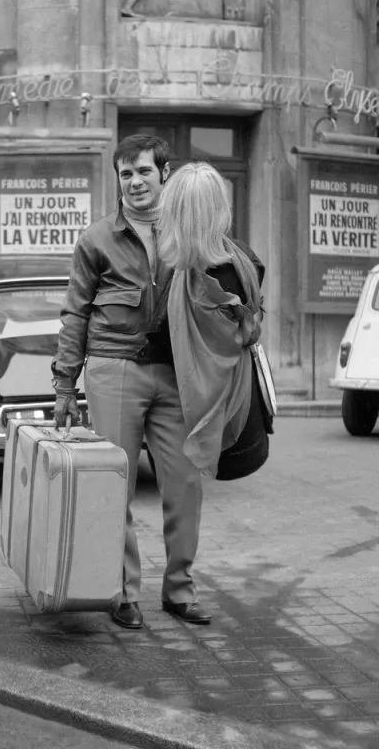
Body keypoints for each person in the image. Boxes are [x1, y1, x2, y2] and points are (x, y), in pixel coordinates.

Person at [52, 134, 212, 630]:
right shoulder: (97, 238)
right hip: (112, 368)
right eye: (126, 174)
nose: (135, 181)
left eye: (144, 171)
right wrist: (64, 384)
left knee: (185, 484)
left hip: (176, 373)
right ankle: (121, 592)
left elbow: (220, 295)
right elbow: (75, 312)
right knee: (113, 488)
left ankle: (179, 591)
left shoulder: (190, 231)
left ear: (165, 174)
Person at [153, 162, 267, 481]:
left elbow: (160, 343)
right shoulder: (245, 259)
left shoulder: (189, 281)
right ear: (220, 208)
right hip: (244, 412)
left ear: (176, 214)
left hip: (204, 420)